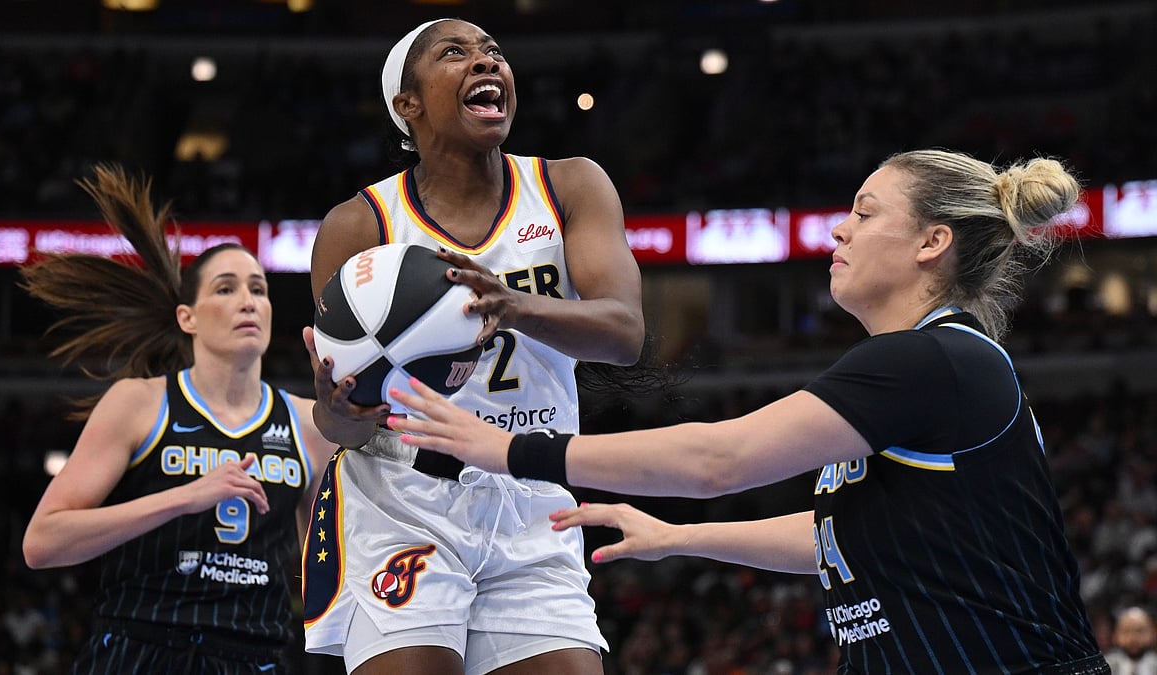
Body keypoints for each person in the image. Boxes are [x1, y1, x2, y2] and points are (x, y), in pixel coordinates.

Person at [386, 149, 1112, 673]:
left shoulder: (930, 360)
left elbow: (718, 459)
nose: (839, 230)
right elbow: (839, 535)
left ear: (933, 242)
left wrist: (512, 449)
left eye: (865, 213)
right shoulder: (928, 366)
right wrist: (679, 536)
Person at [298, 17, 644, 675]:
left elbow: (625, 334)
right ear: (408, 103)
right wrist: (338, 407)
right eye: (455, 53)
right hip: (404, 500)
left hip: (532, 493)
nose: (486, 62)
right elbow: (345, 426)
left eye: (493, 52)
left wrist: (511, 303)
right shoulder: (358, 224)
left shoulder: (570, 185)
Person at [20, 165, 334, 674]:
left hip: (253, 656)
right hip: (140, 647)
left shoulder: (308, 424)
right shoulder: (139, 403)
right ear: (187, 317)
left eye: (259, 289)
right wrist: (185, 497)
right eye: (226, 289)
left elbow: (322, 567)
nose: (248, 302)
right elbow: (42, 542)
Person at [1105, 606, 1157, 675]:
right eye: (1126, 631)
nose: (1132, 637)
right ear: (1116, 635)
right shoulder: (1106, 667)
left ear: (1152, 633)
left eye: (1140, 631)